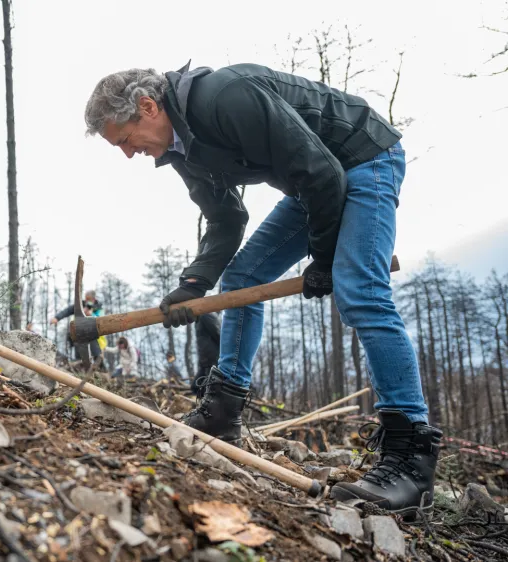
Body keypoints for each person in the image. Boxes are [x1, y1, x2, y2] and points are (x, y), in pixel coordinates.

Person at [84, 62, 440, 515]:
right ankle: (223, 411)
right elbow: (225, 217)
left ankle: (410, 458)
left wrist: (326, 258)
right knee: (242, 278)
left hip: (363, 159)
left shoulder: (224, 97)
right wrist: (193, 284)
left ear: (147, 107)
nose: (128, 154)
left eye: (124, 140)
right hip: (314, 180)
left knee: (361, 292)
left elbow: (323, 171)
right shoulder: (179, 147)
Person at [51, 291, 107, 366]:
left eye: (89, 299)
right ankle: (80, 365)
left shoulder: (99, 308)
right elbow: (67, 310)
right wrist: (57, 318)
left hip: (96, 338)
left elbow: (101, 321)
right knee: (79, 349)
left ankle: (101, 370)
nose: (87, 301)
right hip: (79, 333)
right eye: (86, 299)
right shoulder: (80, 305)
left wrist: (91, 315)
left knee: (97, 357)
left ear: (93, 299)